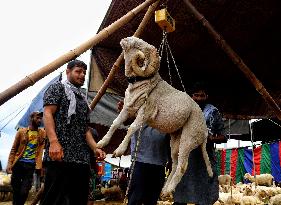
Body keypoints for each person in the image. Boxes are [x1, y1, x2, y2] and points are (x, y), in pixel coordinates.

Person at [40, 59, 106, 205]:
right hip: (60, 155)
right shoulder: (57, 88)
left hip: (81, 159)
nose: (82, 75)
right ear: (68, 72)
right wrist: (54, 142)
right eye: (78, 71)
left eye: (84, 72)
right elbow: (48, 113)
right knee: (54, 200)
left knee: (78, 200)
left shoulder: (82, 99)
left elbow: (85, 129)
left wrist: (95, 148)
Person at [173, 82, 226, 205]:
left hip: (205, 159)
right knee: (181, 194)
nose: (198, 98)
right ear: (191, 97)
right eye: (196, 95)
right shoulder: (184, 111)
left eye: (202, 96)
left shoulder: (213, 112)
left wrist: (209, 139)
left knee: (204, 195)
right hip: (186, 158)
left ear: (206, 96)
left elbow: (224, 137)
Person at [117, 101, 171, 205]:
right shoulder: (141, 101)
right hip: (140, 161)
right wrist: (123, 112)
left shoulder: (167, 105)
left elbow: (170, 138)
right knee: (135, 198)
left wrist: (171, 160)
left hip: (159, 163)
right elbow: (127, 120)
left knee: (152, 199)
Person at [6, 111, 46, 205]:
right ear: (31, 118)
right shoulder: (21, 132)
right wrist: (9, 163)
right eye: (37, 118)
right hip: (18, 163)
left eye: (41, 118)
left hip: (31, 165)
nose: (40, 120)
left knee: (24, 191)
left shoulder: (42, 133)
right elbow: (14, 149)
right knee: (16, 190)